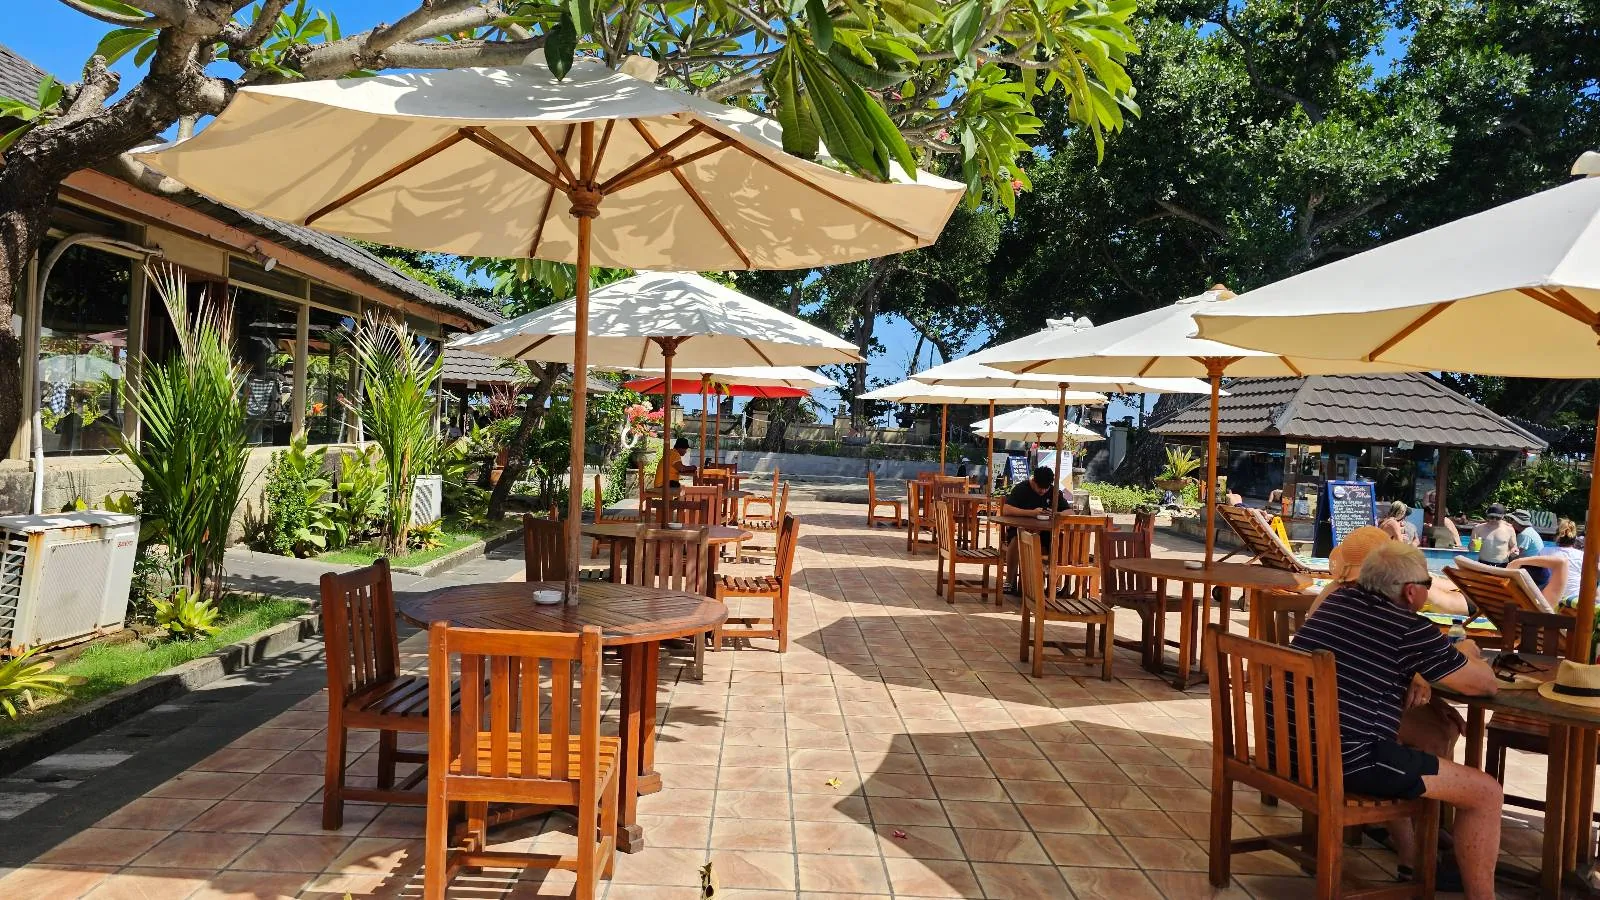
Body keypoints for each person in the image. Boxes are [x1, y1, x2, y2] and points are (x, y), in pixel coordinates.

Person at [1292, 542, 1503, 898]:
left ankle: (1415, 859)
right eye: (1427, 583)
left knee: (1421, 732)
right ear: (1411, 591)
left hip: (1287, 746)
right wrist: (1463, 650)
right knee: (1485, 793)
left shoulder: (1337, 601)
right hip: (1342, 762)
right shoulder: (1408, 628)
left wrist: (1422, 674)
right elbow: (1485, 684)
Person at [1001, 466, 1070, 590]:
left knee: (1060, 542)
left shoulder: (1054, 492)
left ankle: (1055, 584)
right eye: (1040, 488)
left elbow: (1070, 512)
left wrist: (1056, 514)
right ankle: (1009, 582)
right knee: (1016, 541)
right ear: (1033, 481)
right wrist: (1031, 513)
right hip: (1020, 530)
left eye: (1046, 488)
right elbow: (1006, 509)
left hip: (1046, 533)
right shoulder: (1022, 488)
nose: (1043, 491)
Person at [1509, 517, 1584, 607]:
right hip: (1575, 600)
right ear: (1575, 538)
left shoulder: (1545, 551)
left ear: (1556, 537)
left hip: (1552, 600)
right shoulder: (1582, 556)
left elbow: (1538, 574)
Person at [1506, 509, 1549, 589]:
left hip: (1533, 571)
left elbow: (1514, 554)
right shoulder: (1529, 531)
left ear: (1517, 522)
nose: (1511, 523)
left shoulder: (1524, 535)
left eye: (1512, 520)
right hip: (1539, 569)